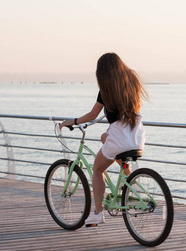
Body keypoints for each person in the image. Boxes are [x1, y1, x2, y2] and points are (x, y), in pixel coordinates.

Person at [60, 52, 148, 225]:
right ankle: (128, 178)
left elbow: (92, 114)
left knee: (97, 169)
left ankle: (97, 213)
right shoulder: (132, 82)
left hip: (120, 137)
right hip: (136, 135)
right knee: (104, 137)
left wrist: (72, 121)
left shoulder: (106, 90)